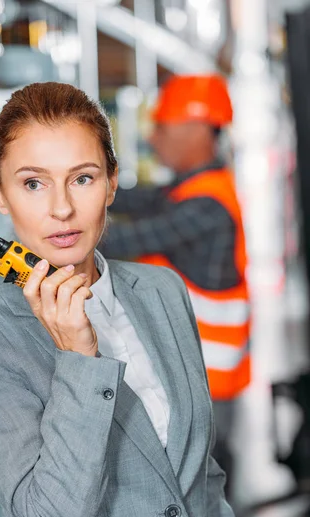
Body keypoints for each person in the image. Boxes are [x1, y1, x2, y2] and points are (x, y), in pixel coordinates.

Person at [0, 82, 258, 517]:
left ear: (110, 184)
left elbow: (203, 480)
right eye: (33, 184)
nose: (61, 208)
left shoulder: (158, 291)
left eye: (82, 178)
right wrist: (78, 358)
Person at [99, 74, 250, 495]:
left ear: (200, 130)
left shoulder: (207, 205)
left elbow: (126, 240)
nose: (153, 136)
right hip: (187, 371)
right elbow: (136, 198)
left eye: (163, 126)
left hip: (205, 382)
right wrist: (84, 181)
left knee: (199, 502)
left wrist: (53, 224)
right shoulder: (189, 190)